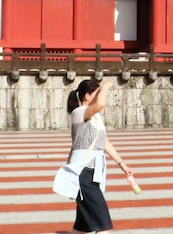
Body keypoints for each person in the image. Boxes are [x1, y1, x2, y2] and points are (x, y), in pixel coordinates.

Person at [66, 79, 133, 234]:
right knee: (103, 223)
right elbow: (100, 104)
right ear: (87, 96)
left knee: (84, 226)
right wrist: (106, 86)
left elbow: (105, 142)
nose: (102, 97)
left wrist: (122, 165)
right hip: (82, 173)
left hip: (93, 173)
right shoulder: (79, 113)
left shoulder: (96, 118)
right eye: (97, 94)